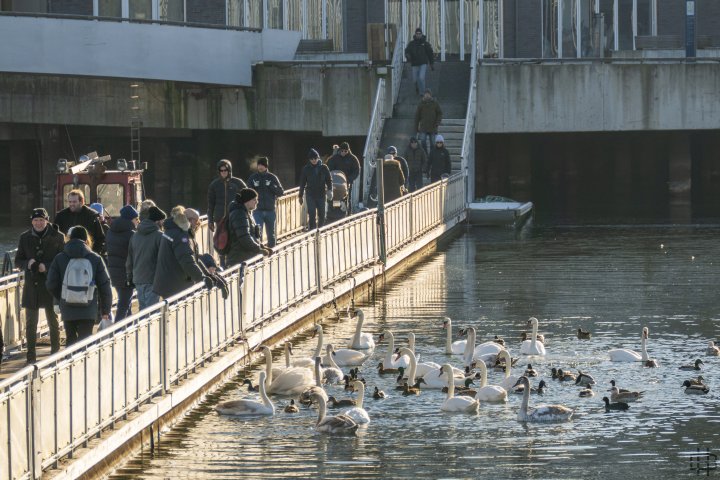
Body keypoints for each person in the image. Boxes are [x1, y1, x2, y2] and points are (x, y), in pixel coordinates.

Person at [46, 226, 112, 346]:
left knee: (70, 339)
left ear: (69, 239)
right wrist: (105, 310)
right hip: (88, 307)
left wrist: (62, 297)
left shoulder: (60, 258)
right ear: (87, 240)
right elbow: (105, 286)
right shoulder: (95, 258)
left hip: (67, 307)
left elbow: (50, 283)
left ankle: (69, 363)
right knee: (85, 341)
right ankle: (84, 364)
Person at [14, 208, 65, 363]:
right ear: (32, 221)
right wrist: (27, 263)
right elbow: (18, 260)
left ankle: (55, 353)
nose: (38, 223)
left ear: (47, 220)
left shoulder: (58, 237)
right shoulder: (25, 237)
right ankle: (30, 357)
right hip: (32, 285)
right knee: (30, 323)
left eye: (41, 220)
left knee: (53, 320)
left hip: (50, 284)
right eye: (36, 220)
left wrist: (47, 266)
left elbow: (62, 260)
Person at [153, 206, 213, 299]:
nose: (198, 224)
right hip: (175, 284)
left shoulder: (174, 231)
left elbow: (194, 258)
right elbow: (187, 260)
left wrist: (207, 275)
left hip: (171, 282)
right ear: (189, 220)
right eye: (196, 221)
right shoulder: (181, 236)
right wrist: (202, 278)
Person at [127, 205, 166, 310]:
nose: (163, 223)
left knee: (143, 311)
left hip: (138, 278)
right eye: (162, 221)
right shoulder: (160, 236)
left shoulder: (135, 236)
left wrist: (129, 277)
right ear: (157, 221)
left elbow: (130, 259)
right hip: (152, 279)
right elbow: (163, 259)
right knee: (152, 312)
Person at [105, 205, 138, 322]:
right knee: (124, 304)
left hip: (114, 272)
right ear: (131, 219)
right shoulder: (131, 234)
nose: (137, 222)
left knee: (124, 302)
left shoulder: (110, 231)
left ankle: (129, 326)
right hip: (127, 273)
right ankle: (117, 331)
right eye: (136, 219)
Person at [227, 188, 272, 266]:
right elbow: (244, 237)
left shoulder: (245, 213)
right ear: (247, 201)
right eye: (254, 199)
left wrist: (262, 246)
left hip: (244, 257)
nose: (257, 202)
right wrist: (259, 249)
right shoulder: (239, 214)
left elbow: (252, 235)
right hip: (239, 259)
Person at [54, 189, 106, 256]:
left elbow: (100, 238)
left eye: (74, 202)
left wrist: (94, 254)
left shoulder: (92, 216)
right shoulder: (61, 216)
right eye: (70, 202)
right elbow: (54, 235)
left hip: (87, 255)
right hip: (66, 255)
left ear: (82, 201)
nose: (71, 204)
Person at [247, 157, 284, 247]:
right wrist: (253, 188)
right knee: (257, 233)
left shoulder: (272, 177)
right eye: (259, 165)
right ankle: (258, 253)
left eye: (262, 165)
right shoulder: (253, 178)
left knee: (271, 234)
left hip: (270, 210)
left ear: (266, 166)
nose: (260, 167)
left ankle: (272, 252)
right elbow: (247, 193)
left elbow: (280, 192)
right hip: (257, 210)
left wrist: (271, 186)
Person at [298, 148, 333, 230]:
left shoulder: (324, 168)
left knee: (322, 214)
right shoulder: (306, 169)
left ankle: (320, 229)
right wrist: (300, 195)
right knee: (311, 213)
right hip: (310, 194)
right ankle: (313, 230)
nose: (314, 160)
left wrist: (330, 190)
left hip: (321, 194)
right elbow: (302, 183)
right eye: (312, 159)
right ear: (309, 159)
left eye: (315, 158)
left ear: (318, 158)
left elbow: (329, 180)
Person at [327, 142, 361, 215]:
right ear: (339, 150)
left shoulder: (352, 158)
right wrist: (330, 178)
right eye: (342, 151)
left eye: (345, 151)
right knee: (335, 197)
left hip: (347, 181)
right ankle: (334, 212)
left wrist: (350, 179)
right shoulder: (334, 158)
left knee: (347, 197)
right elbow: (329, 168)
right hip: (335, 181)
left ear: (348, 151)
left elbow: (356, 170)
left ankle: (347, 212)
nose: (343, 152)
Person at [404, 27, 435, 95]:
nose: (418, 35)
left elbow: (430, 53)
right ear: (415, 34)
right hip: (414, 63)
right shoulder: (411, 43)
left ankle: (423, 92)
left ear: (421, 34)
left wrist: (431, 64)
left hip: (423, 63)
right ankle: (417, 87)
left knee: (421, 78)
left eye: (419, 33)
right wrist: (407, 55)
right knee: (414, 80)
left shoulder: (425, 43)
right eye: (417, 33)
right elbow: (407, 51)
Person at [414, 88, 443, 155]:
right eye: (426, 94)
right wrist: (416, 127)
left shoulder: (435, 103)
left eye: (428, 94)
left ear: (430, 95)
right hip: (423, 127)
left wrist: (437, 122)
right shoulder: (421, 104)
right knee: (423, 141)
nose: (427, 96)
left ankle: (432, 155)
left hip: (433, 127)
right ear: (424, 95)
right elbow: (417, 116)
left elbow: (439, 113)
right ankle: (425, 154)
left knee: (433, 143)